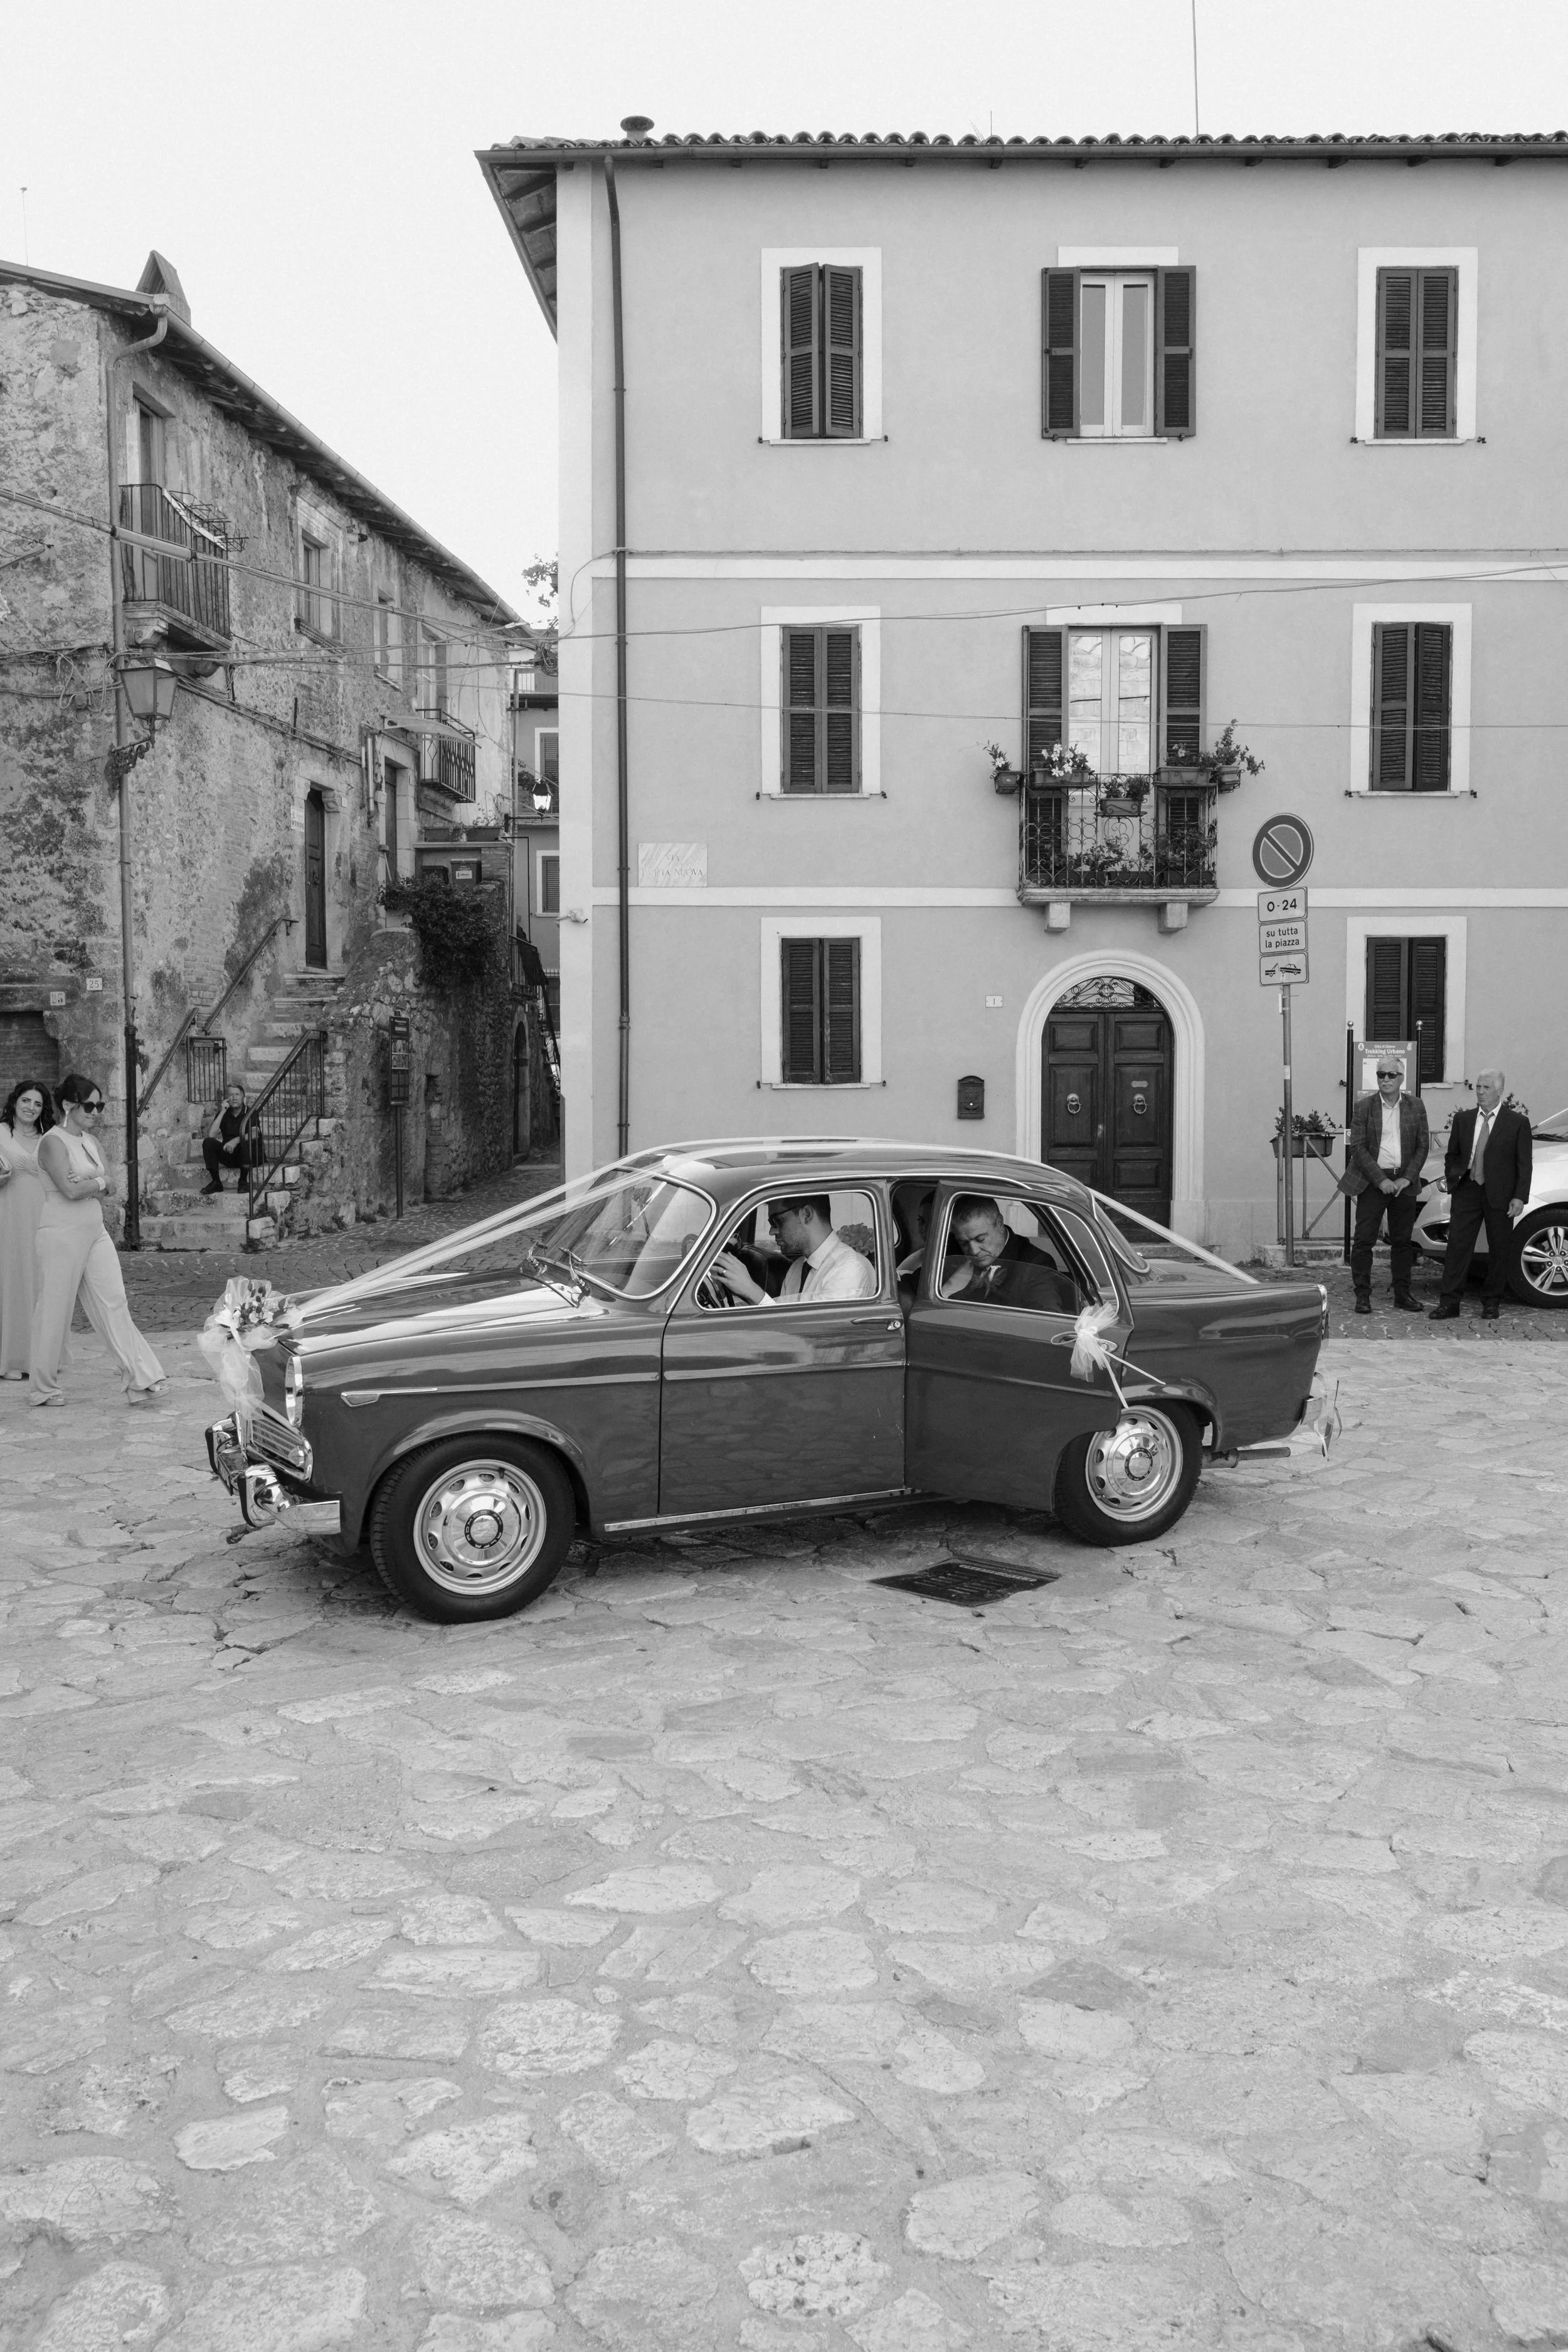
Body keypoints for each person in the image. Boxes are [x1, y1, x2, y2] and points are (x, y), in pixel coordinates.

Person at [31, 1074, 167, 1407]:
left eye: (100, 1106)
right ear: (68, 1105)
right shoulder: (52, 1142)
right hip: (61, 1233)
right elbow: (70, 1190)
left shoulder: (91, 1141)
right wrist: (98, 1182)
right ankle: (43, 1388)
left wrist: (93, 1182)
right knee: (54, 1310)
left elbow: (113, 1184)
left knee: (115, 1301)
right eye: (89, 1106)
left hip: (94, 1230)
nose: (96, 1112)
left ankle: (139, 1377)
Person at [1431, 1067, 1532, 1322]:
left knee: (1499, 1248)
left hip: (1501, 1193)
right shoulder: (1463, 1120)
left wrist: (1519, 1196)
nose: (1480, 1092)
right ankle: (1449, 1303)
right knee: (1457, 1246)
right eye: (1478, 1087)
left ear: (1500, 1091)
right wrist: (1454, 1178)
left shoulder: (1517, 1123)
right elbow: (1452, 1154)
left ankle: (1491, 1302)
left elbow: (1524, 1163)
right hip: (1467, 1189)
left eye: (1486, 1087)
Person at [1340, 1056, 1431, 1314]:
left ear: (1401, 1078)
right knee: (1364, 1241)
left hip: (1404, 1182)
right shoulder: (1364, 1107)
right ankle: (1362, 1295)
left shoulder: (1416, 1105)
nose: (1386, 1079)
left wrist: (1406, 1178)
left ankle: (1402, 1294)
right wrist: (1380, 1180)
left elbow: (1423, 1145)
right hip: (1372, 1183)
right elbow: (1358, 1147)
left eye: (1391, 1075)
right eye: (1381, 1075)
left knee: (1402, 1242)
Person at [712, 1195, 877, 1305]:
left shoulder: (849, 1269)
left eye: (777, 1221)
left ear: (806, 1215)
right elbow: (783, 1317)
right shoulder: (797, 1268)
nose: (771, 1231)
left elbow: (818, 1336)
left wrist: (752, 1291)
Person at [0, 1077, 55, 1379]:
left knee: (41, 1282)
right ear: (15, 1101)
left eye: (38, 1104)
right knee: (11, 1280)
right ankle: (11, 1359)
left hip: (44, 1216)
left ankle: (40, 1358)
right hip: (8, 1215)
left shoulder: (49, 1138)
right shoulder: (0, 1133)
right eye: (26, 1101)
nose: (31, 1107)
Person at [946, 1195, 1081, 1313]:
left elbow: (1048, 1318)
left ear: (1000, 1224)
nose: (973, 1251)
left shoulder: (1034, 1266)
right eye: (964, 1243)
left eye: (981, 1239)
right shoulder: (948, 1247)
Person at [202, 1082, 258, 1192]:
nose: (234, 1098)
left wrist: (236, 1140)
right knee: (208, 1142)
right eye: (231, 1095)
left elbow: (255, 1134)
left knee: (246, 1141)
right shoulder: (225, 1113)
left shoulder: (251, 1112)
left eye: (237, 1094)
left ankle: (243, 1182)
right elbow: (212, 1135)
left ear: (243, 1097)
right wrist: (222, 1111)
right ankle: (216, 1182)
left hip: (248, 1157)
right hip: (230, 1154)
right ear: (227, 1099)